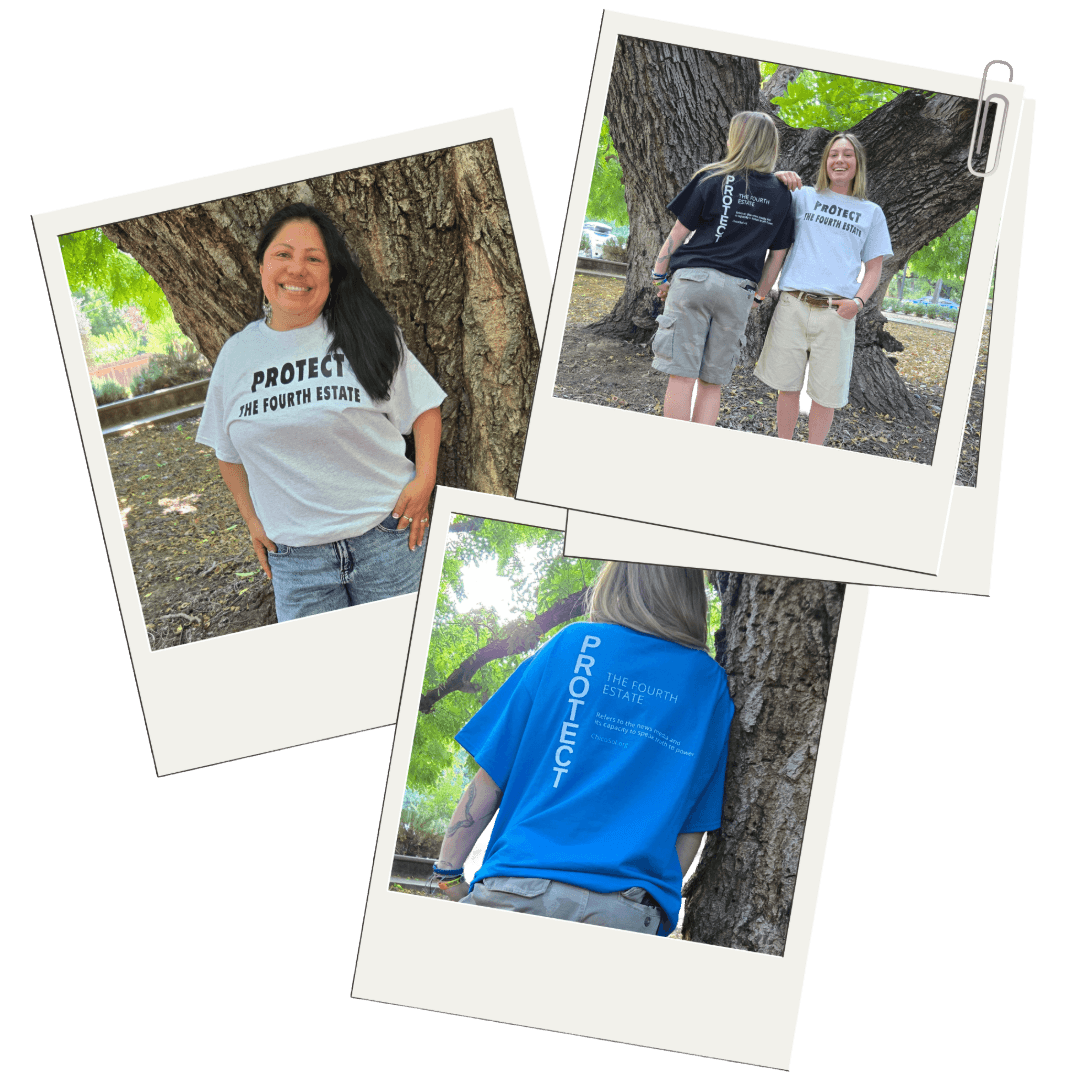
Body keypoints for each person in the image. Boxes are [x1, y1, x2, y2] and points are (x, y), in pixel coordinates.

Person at [430, 562, 735, 938]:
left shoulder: (572, 645)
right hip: (626, 910)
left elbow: (489, 781)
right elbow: (692, 829)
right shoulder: (709, 684)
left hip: (517, 890)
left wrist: (448, 876)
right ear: (691, 593)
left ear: (619, 579)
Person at [196, 203, 446, 622]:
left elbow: (424, 407)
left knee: (402, 667)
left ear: (331, 276)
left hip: (388, 539)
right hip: (295, 561)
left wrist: (425, 480)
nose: (297, 269)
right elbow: (227, 451)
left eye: (314, 258)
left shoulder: (366, 334)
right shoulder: (236, 354)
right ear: (261, 268)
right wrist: (251, 520)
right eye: (283, 254)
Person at [650, 111, 796, 425]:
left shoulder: (711, 177)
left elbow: (678, 234)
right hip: (738, 291)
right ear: (771, 146)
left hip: (694, 282)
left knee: (681, 377)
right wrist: (758, 296)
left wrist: (660, 275)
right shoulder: (783, 195)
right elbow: (778, 255)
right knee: (712, 382)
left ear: (736, 140)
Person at [754, 133, 893, 445]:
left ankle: (813, 453)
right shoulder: (803, 196)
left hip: (836, 313)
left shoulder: (871, 212)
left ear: (858, 163)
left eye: (847, 155)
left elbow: (874, 268)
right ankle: (783, 446)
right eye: (833, 155)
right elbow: (765, 192)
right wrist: (778, 177)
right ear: (825, 162)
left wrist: (857, 303)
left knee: (825, 394)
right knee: (787, 386)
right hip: (793, 304)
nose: (839, 160)